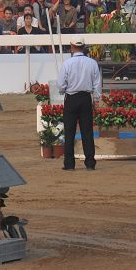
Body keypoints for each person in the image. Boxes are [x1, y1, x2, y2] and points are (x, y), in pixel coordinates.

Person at [57, 36, 101, 171]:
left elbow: (61, 85)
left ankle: (69, 163)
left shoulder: (67, 64)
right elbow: (97, 84)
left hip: (71, 98)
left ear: (71, 46)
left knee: (69, 132)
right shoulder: (92, 63)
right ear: (84, 46)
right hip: (85, 98)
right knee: (87, 132)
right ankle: (90, 162)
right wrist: (96, 99)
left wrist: (63, 90)